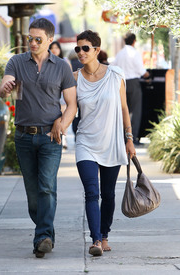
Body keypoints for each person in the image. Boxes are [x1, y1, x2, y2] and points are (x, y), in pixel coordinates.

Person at [0, 18, 77, 258]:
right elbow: (4, 86)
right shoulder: (17, 62)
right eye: (29, 39)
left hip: (50, 137)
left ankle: (42, 236)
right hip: (23, 137)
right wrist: (5, 89)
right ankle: (46, 232)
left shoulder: (62, 67)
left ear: (50, 40)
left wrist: (62, 124)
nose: (32, 43)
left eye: (37, 39)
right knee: (33, 193)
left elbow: (72, 104)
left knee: (46, 186)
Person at [73, 30, 136, 256]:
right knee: (92, 192)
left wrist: (129, 139)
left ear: (97, 50)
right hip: (85, 143)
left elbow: (124, 108)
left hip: (111, 142)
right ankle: (96, 240)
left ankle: (105, 234)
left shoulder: (115, 74)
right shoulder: (74, 78)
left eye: (85, 48)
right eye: (77, 48)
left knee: (108, 194)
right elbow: (69, 108)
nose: (80, 52)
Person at [113, 32, 150, 145]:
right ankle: (132, 138)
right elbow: (141, 71)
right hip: (134, 83)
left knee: (123, 110)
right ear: (134, 41)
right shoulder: (134, 53)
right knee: (135, 111)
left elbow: (114, 67)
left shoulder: (119, 54)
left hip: (121, 83)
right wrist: (147, 75)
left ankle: (124, 138)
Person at [49, 41, 72, 149]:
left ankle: (64, 139)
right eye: (52, 48)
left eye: (56, 48)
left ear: (60, 50)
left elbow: (70, 78)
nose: (54, 50)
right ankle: (58, 136)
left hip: (63, 93)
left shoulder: (65, 61)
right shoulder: (46, 62)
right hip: (52, 94)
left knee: (63, 116)